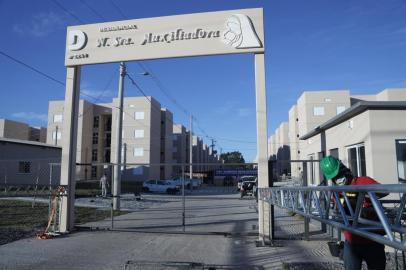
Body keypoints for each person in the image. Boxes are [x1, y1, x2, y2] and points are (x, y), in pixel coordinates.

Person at [320, 156, 386, 270]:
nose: (338, 179)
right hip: (351, 242)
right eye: (335, 178)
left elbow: (384, 191)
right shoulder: (336, 192)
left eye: (339, 175)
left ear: (344, 170)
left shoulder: (363, 181)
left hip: (373, 240)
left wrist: (364, 195)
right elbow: (337, 209)